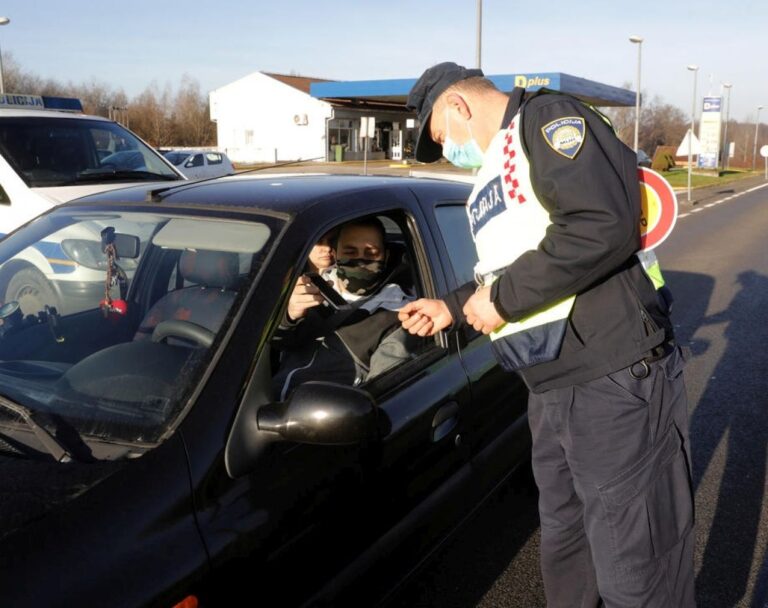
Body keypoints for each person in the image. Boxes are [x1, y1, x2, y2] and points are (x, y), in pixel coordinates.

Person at [399, 62, 694, 607]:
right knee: (567, 543)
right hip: (550, 382)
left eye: (440, 137)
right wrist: (453, 305)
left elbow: (599, 224)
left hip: (610, 375)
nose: (446, 152)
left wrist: (500, 300)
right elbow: (509, 266)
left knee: (637, 564)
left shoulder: (547, 120)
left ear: (458, 106)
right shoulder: (496, 169)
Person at [274, 217, 418, 400]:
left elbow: (379, 394)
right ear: (335, 254)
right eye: (350, 252)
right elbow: (276, 345)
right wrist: (289, 317)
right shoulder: (310, 290)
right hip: (264, 400)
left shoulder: (397, 314)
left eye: (371, 253)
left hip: (318, 411)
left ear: (386, 256)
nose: (360, 261)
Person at [285, 229, 337, 323]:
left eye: (332, 240)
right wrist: (290, 316)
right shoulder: (289, 281)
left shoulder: (343, 276)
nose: (328, 248)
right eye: (318, 241)